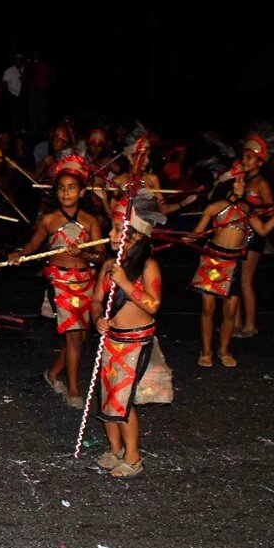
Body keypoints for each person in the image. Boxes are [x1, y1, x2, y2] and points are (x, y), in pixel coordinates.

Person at [10, 155, 104, 407]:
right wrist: (18, 255)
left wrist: (84, 254)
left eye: (71, 188)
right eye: (61, 188)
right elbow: (32, 247)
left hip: (86, 283)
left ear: (81, 192)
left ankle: (52, 374)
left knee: (80, 339)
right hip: (60, 283)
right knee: (73, 338)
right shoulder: (49, 220)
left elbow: (101, 255)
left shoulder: (90, 221)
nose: (66, 192)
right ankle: (73, 390)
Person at [90, 192, 166, 478]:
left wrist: (123, 282)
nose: (111, 234)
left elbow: (153, 305)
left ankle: (133, 458)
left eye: (118, 229)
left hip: (135, 342)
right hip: (111, 339)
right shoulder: (109, 265)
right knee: (106, 396)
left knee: (122, 399)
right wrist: (97, 319)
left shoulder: (148, 266)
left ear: (137, 235)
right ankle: (115, 449)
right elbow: (96, 301)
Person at [188, 172, 274, 368]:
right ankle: (206, 351)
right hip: (212, 261)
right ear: (230, 185)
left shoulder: (247, 210)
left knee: (230, 311)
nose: (242, 185)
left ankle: (224, 350)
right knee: (208, 309)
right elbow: (198, 233)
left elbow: (263, 231)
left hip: (233, 264)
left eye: (243, 182)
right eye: (238, 181)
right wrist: (189, 237)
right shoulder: (215, 207)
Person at [233, 132, 274, 338]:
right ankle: (235, 323)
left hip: (253, 236)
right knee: (235, 279)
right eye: (243, 156)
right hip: (238, 235)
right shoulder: (243, 180)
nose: (244, 160)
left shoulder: (261, 183)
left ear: (259, 162)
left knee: (245, 281)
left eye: (249, 157)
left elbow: (271, 209)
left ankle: (250, 325)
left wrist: (253, 210)